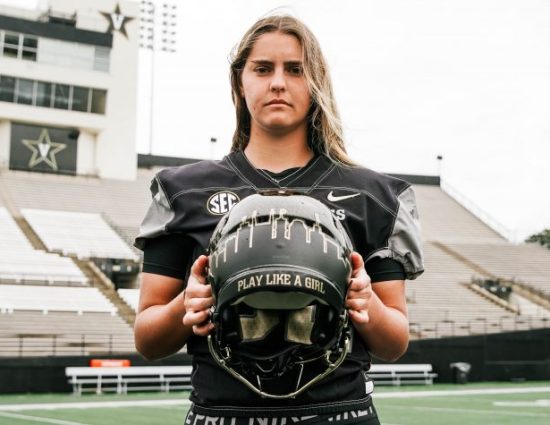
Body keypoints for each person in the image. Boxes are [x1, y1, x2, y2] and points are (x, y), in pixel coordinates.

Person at [134, 14, 424, 425]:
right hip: (222, 414)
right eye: (262, 68)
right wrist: (187, 304)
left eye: (295, 70)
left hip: (340, 413)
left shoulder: (372, 196)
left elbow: (394, 342)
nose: (277, 83)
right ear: (240, 81)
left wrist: (368, 304)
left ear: (316, 83)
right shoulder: (183, 191)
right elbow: (147, 339)